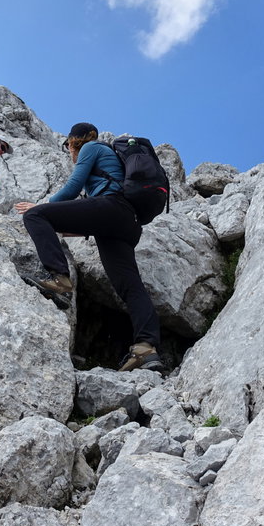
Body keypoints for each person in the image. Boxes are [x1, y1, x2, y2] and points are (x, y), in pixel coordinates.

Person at [14, 123, 163, 372]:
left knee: (34, 216)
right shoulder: (107, 161)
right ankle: (146, 348)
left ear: (74, 141)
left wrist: (41, 209)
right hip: (127, 223)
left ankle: (59, 279)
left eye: (67, 146)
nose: (69, 152)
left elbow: (72, 188)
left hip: (112, 208)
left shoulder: (91, 148)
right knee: (130, 287)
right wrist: (55, 224)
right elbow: (86, 220)